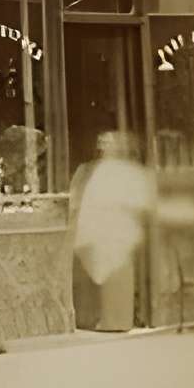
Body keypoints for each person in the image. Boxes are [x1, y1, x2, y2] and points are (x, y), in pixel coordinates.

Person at [72, 130, 155, 334]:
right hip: (99, 230)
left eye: (109, 142)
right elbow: (79, 198)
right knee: (101, 275)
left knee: (117, 275)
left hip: (119, 230)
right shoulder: (89, 169)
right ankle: (104, 319)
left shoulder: (129, 170)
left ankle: (119, 321)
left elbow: (141, 201)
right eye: (102, 141)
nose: (103, 145)